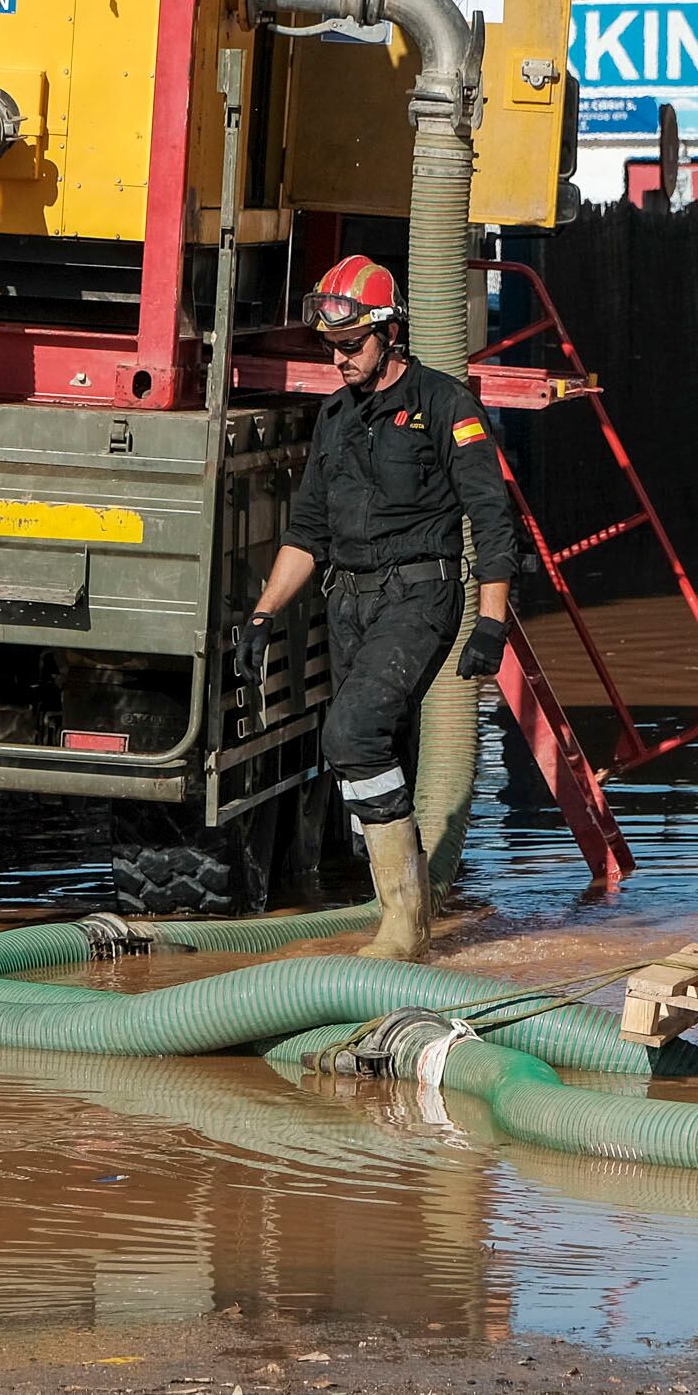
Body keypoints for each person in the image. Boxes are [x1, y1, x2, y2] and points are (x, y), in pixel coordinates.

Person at [229, 254, 519, 961]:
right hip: (350, 601)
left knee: (350, 735)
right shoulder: (334, 418)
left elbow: (493, 515)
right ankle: (408, 916)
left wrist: (491, 621)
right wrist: (263, 615)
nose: (341, 359)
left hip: (421, 594)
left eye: (353, 344)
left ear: (391, 332)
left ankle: (399, 920)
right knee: (378, 752)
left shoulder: (445, 405)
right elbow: (307, 533)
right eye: (332, 347)